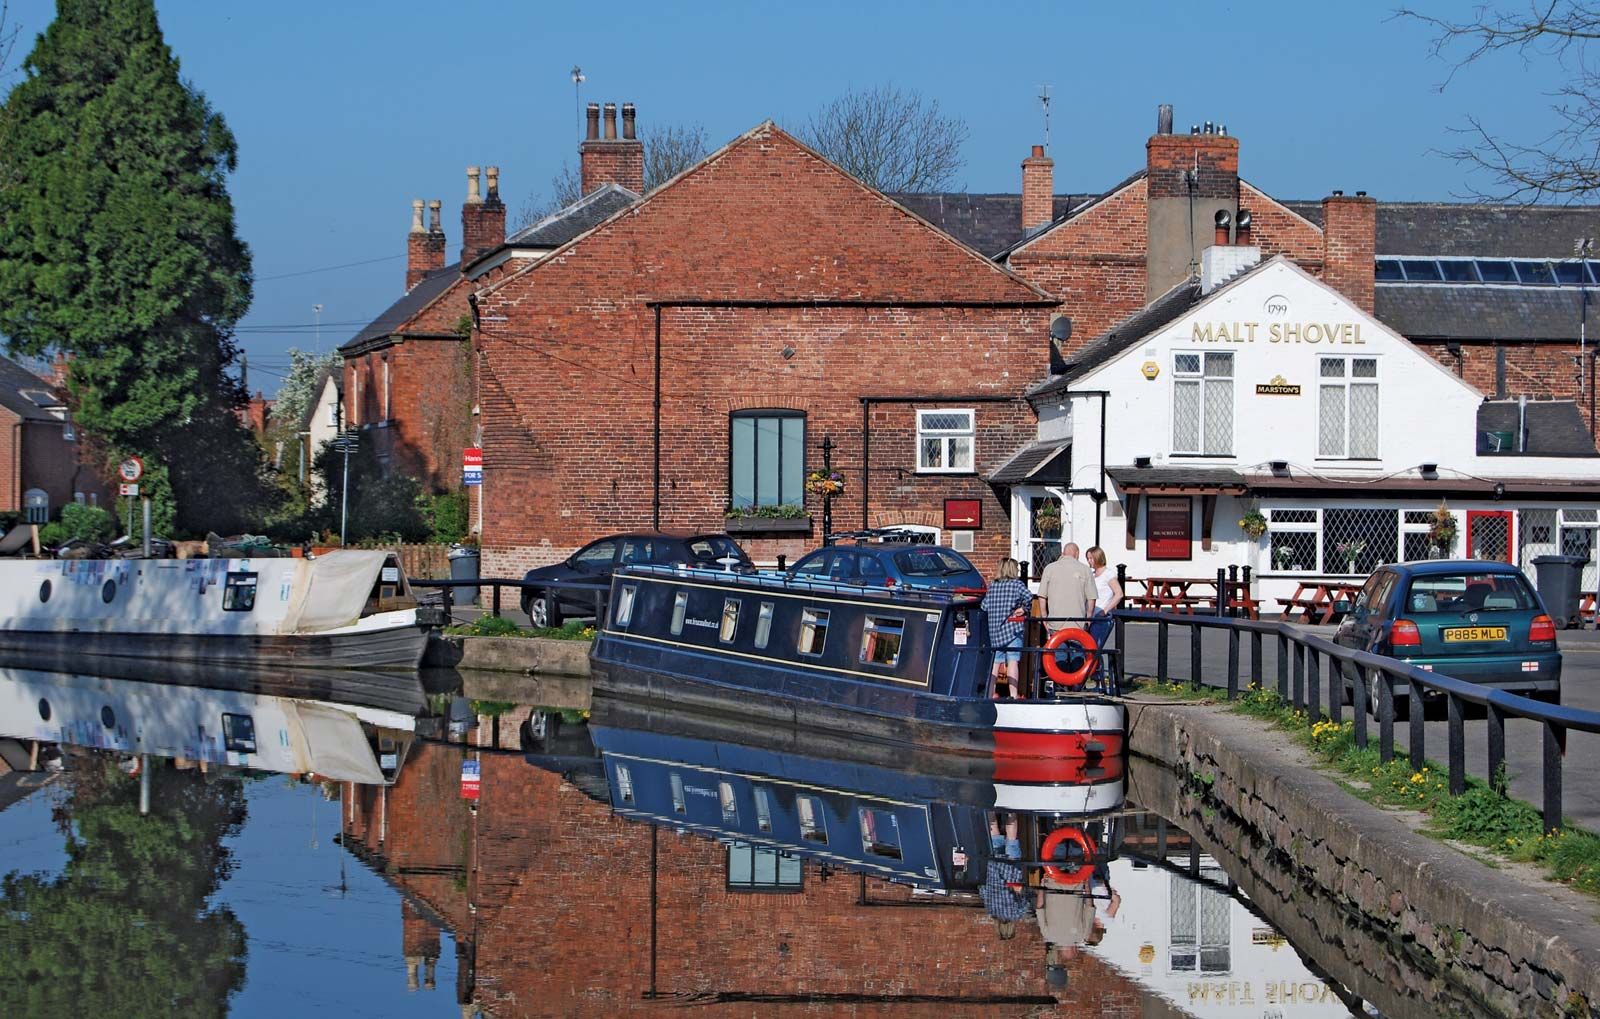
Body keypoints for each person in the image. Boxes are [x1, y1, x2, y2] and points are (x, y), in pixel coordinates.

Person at [981, 558, 1033, 698]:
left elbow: (984, 606)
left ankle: (990, 694)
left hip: (995, 631)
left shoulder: (993, 586)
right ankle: (1014, 695)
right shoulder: (1017, 585)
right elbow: (1029, 596)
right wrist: (1023, 608)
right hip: (1012, 629)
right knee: (1013, 662)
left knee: (995, 664)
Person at [1038, 542, 1096, 632]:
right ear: (1077, 553)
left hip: (1055, 624)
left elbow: (1042, 596)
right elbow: (1092, 598)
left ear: (1062, 553)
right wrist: (1088, 619)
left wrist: (1044, 618)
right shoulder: (1085, 570)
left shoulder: (1049, 568)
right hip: (1078, 624)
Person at [1084, 546, 1123, 650]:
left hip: (1101, 617)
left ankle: (1097, 666)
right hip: (1090, 616)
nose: (1089, 561)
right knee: (1088, 646)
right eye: (1088, 558)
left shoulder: (1108, 574)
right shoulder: (1092, 574)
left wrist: (1105, 611)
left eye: (1091, 558)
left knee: (1095, 647)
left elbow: (1119, 594)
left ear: (1098, 557)